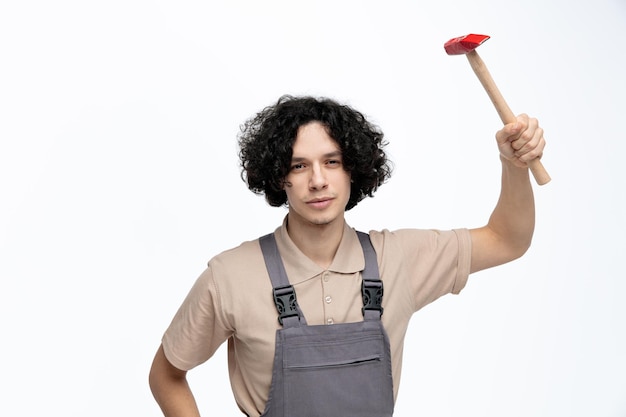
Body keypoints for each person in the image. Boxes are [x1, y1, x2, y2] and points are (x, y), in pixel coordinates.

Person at [149, 95, 545, 417]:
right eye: (298, 165)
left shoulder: (399, 259)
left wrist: (513, 165)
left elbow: (507, 239)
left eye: (331, 162)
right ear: (277, 177)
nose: (317, 180)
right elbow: (166, 374)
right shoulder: (230, 276)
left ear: (352, 169)